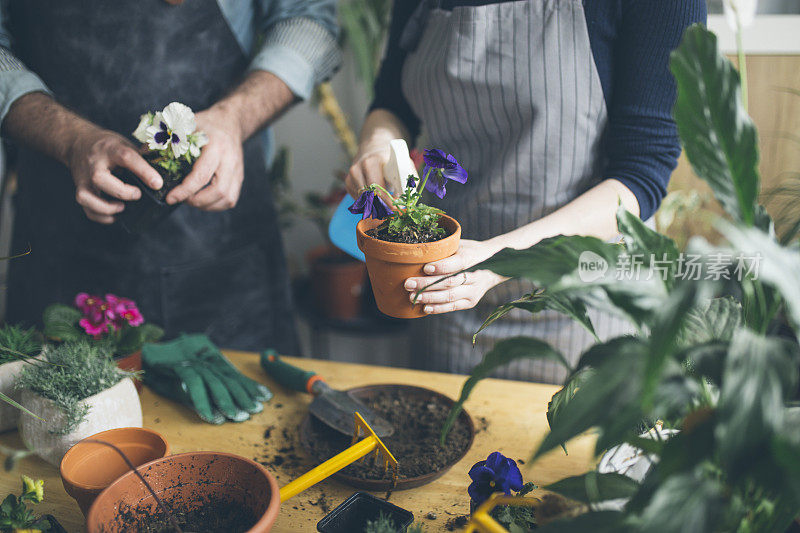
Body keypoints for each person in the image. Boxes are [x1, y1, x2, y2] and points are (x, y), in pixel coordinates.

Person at [346, 0, 706, 383]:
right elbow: (391, 103)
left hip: (578, 311)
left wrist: (496, 259)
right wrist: (378, 144)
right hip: (445, 291)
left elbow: (642, 175)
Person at [0, 0, 340, 354]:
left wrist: (234, 116)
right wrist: (70, 139)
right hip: (59, 251)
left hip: (220, 256)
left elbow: (308, 21)